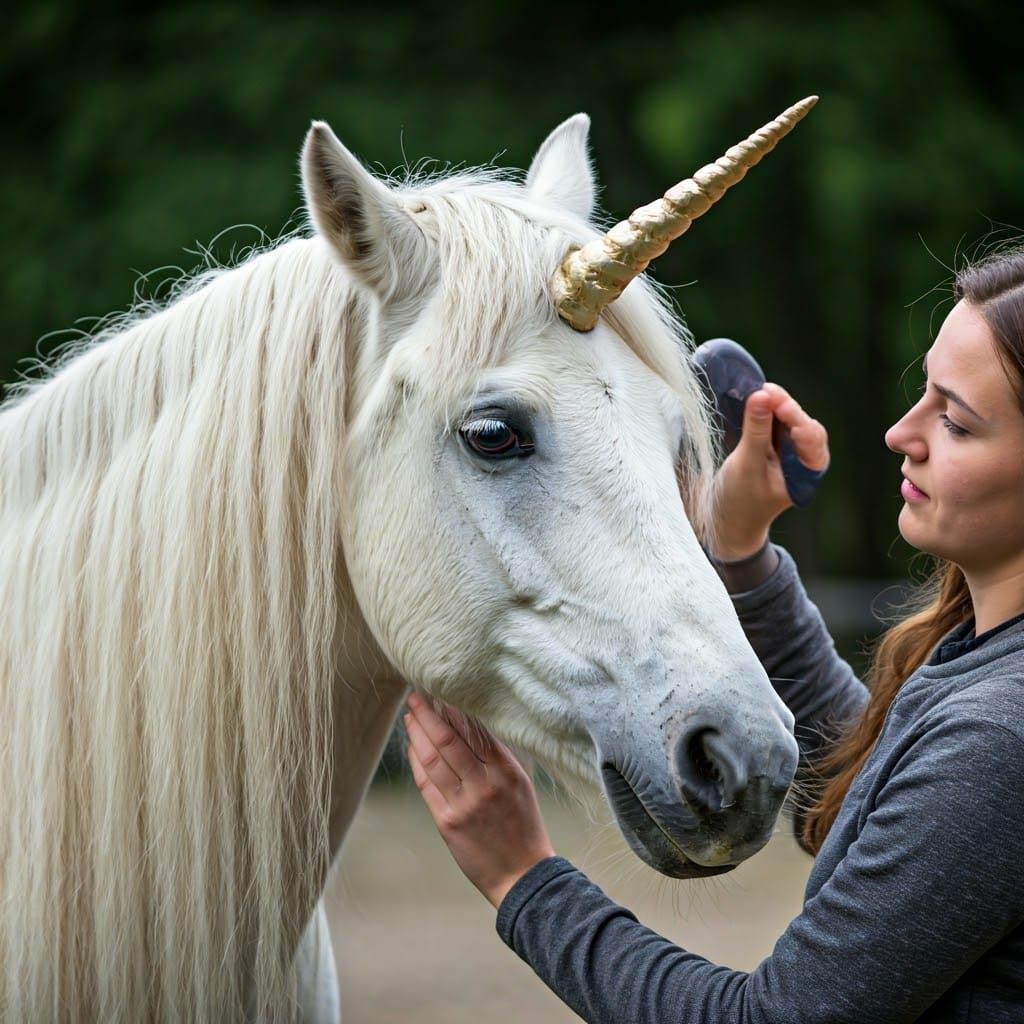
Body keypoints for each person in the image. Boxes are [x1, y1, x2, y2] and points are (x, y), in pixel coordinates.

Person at [404, 247, 1024, 1023]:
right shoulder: (986, 663)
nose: (903, 433)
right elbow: (861, 798)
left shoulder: (1001, 741)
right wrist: (740, 548)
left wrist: (523, 881)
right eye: (923, 392)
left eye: (956, 422)